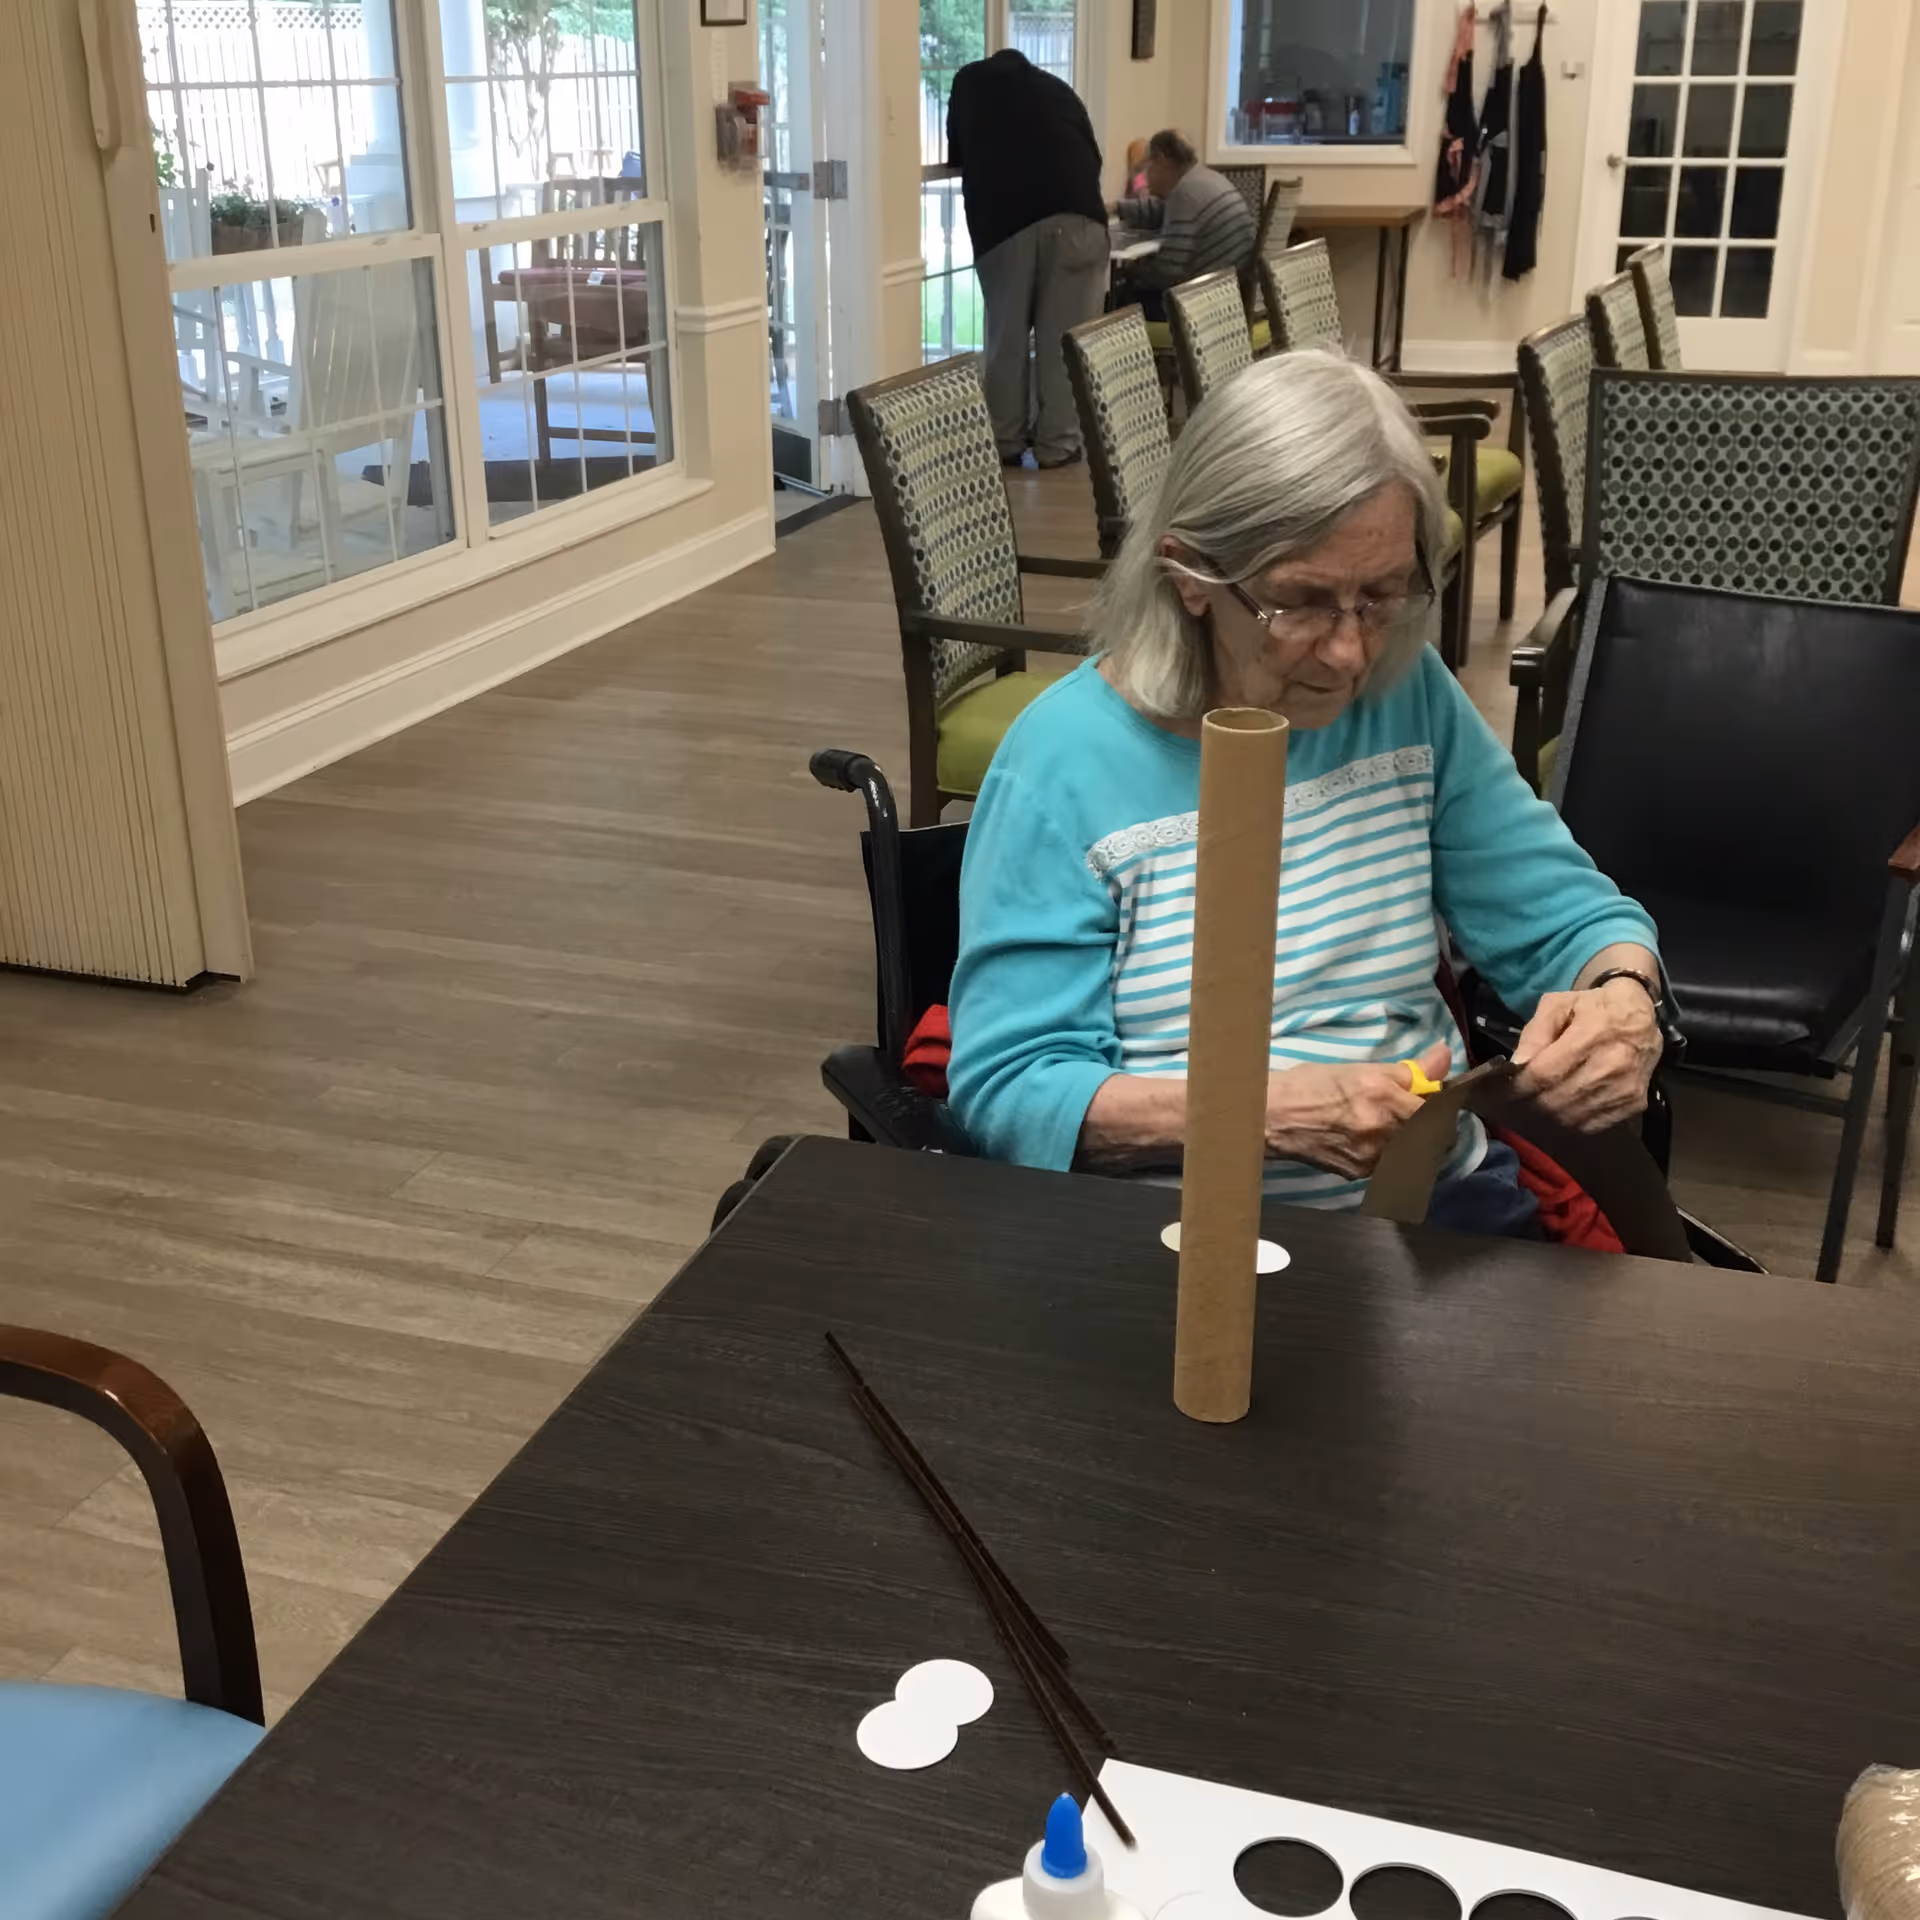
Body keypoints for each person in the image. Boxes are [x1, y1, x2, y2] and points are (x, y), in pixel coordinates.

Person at [946, 352, 1666, 1238]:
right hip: (1173, 1241)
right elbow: (1012, 1092)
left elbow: (1561, 917)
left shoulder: (1407, 698)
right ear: (1189, 577)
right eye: (1302, 603)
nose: (1350, 653)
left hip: (1434, 1214)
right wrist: (1258, 1116)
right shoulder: (1064, 763)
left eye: (1382, 596)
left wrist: (1623, 992)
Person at [946, 49, 1110, 469]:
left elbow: (957, 154)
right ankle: (1059, 444)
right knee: (1065, 340)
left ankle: (1004, 440)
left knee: (1007, 338)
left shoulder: (968, 86)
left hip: (1005, 224)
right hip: (1080, 220)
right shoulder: (1059, 91)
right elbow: (1093, 158)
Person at [1110, 129, 1257, 321]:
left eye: (1148, 167)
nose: (1146, 177)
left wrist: (1129, 274)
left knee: (1118, 301)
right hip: (1230, 294)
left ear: (1161, 160)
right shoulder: (1205, 179)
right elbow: (1162, 209)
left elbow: (1169, 272)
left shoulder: (1185, 193)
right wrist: (1116, 208)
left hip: (1203, 308)